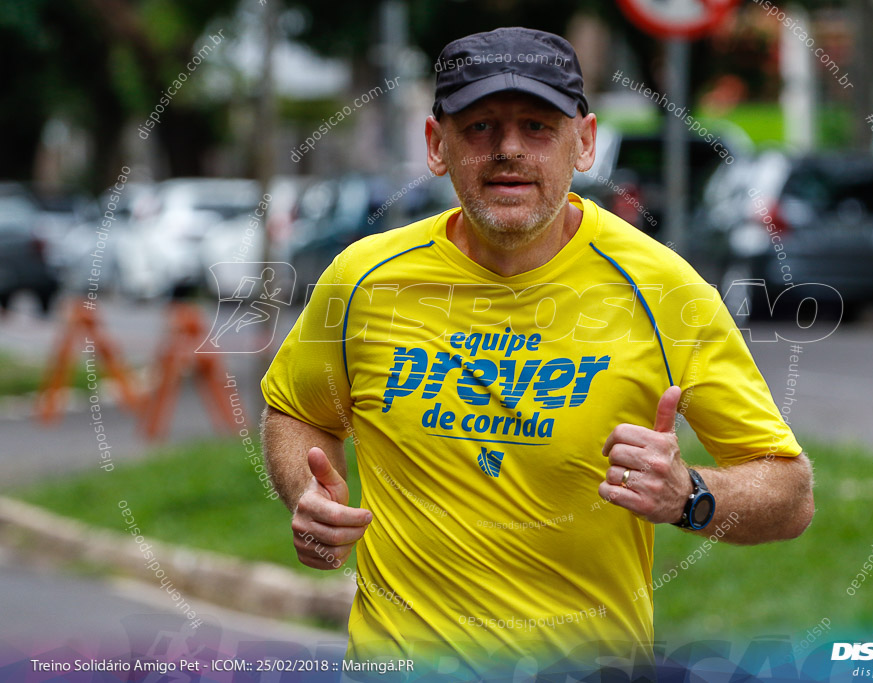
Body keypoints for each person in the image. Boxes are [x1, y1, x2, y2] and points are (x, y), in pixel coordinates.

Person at [260, 26, 814, 681]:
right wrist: (308, 494)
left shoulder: (663, 289)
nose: (509, 150)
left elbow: (789, 490)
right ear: (438, 146)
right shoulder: (364, 278)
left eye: (537, 126)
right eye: (481, 127)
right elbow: (294, 408)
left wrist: (688, 495)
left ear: (585, 141)